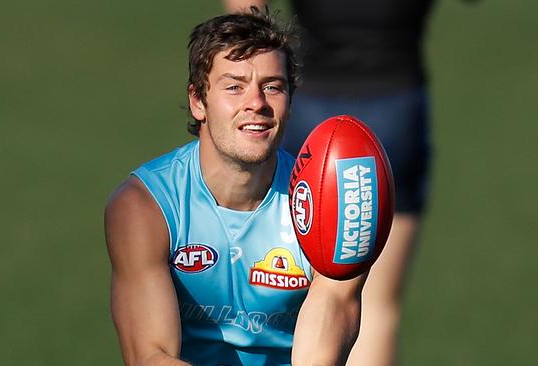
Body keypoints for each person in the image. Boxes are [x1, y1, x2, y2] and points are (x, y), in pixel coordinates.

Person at [104, 7, 365, 366]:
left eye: (272, 87)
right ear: (199, 101)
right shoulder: (145, 205)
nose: (256, 103)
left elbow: (322, 348)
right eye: (234, 87)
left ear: (290, 103)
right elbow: (151, 356)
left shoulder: (331, 204)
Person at [224, 1, 436, 365]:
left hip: (308, 113)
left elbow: (245, 9)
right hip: (394, 111)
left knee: (282, 291)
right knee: (376, 304)